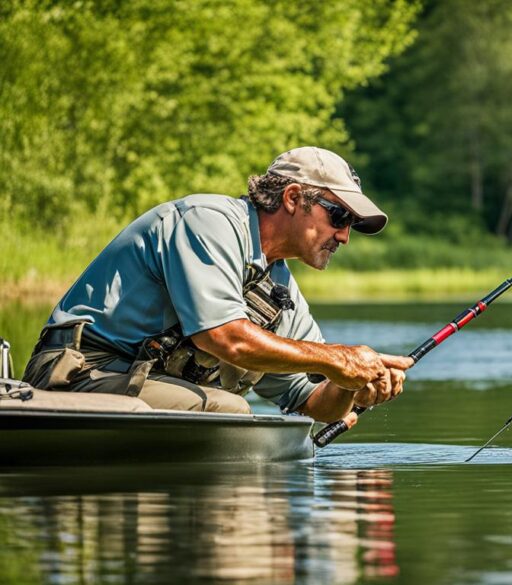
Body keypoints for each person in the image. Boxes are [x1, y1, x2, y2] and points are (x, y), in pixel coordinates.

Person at [22, 147, 412, 428]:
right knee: (230, 411)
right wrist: (335, 358)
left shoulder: (282, 291)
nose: (344, 236)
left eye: (351, 226)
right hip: (75, 375)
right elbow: (223, 337)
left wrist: (350, 383)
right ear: (294, 198)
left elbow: (312, 402)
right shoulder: (207, 222)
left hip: (136, 395)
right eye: (339, 216)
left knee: (230, 412)